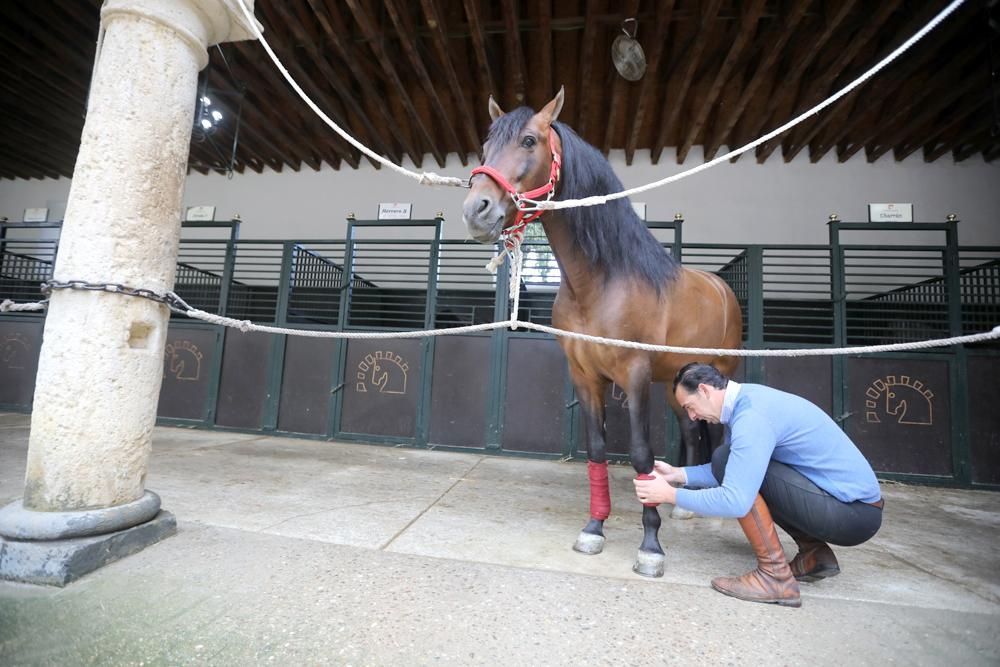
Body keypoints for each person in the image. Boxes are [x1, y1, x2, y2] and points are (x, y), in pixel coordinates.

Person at [634, 362, 883, 608]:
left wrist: (669, 495)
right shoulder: (748, 401)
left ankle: (774, 577)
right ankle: (814, 554)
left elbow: (735, 500)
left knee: (727, 462)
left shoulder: (751, 417)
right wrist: (678, 474)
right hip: (852, 508)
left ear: (705, 391)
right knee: (727, 459)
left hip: (853, 514)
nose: (692, 416)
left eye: (690, 406)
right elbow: (736, 468)